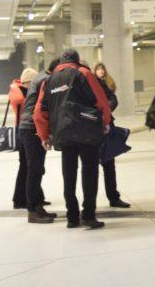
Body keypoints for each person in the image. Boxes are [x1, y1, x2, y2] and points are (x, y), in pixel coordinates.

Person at [34, 50, 112, 229]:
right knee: (89, 172)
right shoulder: (84, 73)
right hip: (87, 132)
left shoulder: (49, 80)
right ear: (77, 61)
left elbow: (40, 111)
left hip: (63, 133)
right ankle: (88, 215)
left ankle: (72, 217)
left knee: (68, 175)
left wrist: (44, 135)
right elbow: (101, 100)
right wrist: (105, 121)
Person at [18, 60, 58, 224]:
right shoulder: (45, 80)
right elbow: (41, 109)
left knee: (36, 169)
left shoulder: (42, 77)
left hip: (30, 127)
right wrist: (45, 134)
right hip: (32, 128)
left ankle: (38, 207)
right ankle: (32, 210)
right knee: (34, 170)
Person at [93, 63, 130, 208]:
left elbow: (113, 99)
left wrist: (105, 111)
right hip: (85, 132)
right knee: (89, 168)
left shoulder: (99, 83)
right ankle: (89, 203)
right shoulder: (72, 85)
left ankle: (113, 197)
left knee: (109, 164)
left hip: (105, 128)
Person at [9, 68, 39, 209]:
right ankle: (20, 199)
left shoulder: (21, 91)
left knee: (29, 166)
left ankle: (33, 196)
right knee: (27, 166)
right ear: (28, 82)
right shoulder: (22, 93)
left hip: (23, 129)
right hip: (25, 131)